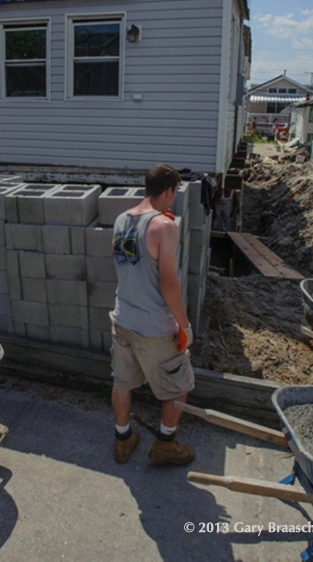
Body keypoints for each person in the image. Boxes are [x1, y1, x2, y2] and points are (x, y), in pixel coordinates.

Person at [109, 164, 195, 465]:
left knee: (122, 383)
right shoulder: (164, 226)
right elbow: (169, 283)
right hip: (153, 327)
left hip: (122, 320)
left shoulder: (122, 219)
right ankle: (165, 444)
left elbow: (126, 262)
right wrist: (183, 325)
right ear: (169, 190)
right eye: (174, 194)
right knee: (179, 386)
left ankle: (123, 440)